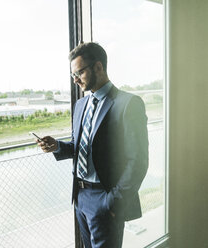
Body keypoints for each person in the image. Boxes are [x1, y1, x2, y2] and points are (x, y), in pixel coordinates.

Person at [37, 42, 148, 248]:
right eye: (72, 75)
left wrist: (114, 202)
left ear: (98, 67)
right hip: (80, 197)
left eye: (79, 72)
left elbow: (138, 160)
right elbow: (81, 146)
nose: (75, 80)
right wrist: (58, 147)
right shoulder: (80, 105)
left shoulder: (128, 103)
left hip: (105, 198)